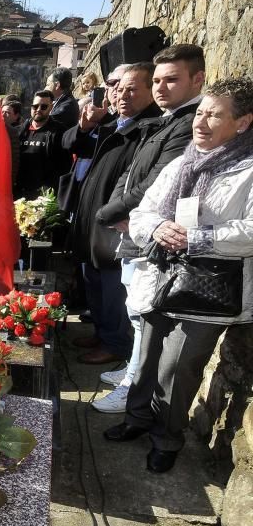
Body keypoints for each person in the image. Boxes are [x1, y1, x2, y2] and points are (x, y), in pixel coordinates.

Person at [106, 77, 253, 474]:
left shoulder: (248, 169)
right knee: (148, 356)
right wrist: (156, 229)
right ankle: (136, 420)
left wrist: (198, 238)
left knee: (181, 367)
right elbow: (143, 212)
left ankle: (167, 437)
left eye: (214, 115)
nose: (201, 122)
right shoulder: (181, 162)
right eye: (200, 112)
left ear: (242, 123)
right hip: (161, 275)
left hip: (209, 289)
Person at [91, 44, 206, 413]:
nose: (161, 88)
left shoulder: (190, 123)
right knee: (135, 310)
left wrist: (110, 213)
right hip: (135, 226)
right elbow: (132, 173)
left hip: (153, 234)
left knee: (143, 314)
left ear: (198, 79)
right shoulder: (167, 119)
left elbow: (159, 182)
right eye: (157, 80)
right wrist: (117, 210)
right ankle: (132, 372)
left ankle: (134, 387)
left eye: (171, 80)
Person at [65, 63, 162, 366]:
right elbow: (72, 144)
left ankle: (115, 343)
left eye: (131, 89)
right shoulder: (111, 123)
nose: (121, 94)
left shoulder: (149, 128)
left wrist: (111, 213)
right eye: (117, 88)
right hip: (93, 223)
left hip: (115, 224)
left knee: (112, 289)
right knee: (93, 283)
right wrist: (87, 124)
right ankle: (103, 332)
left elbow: (143, 181)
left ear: (151, 90)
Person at [14, 90, 72, 199]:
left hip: (43, 198)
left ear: (51, 107)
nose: (38, 110)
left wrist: (50, 193)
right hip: (18, 194)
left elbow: (64, 167)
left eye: (43, 107)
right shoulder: (20, 131)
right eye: (35, 106)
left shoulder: (60, 132)